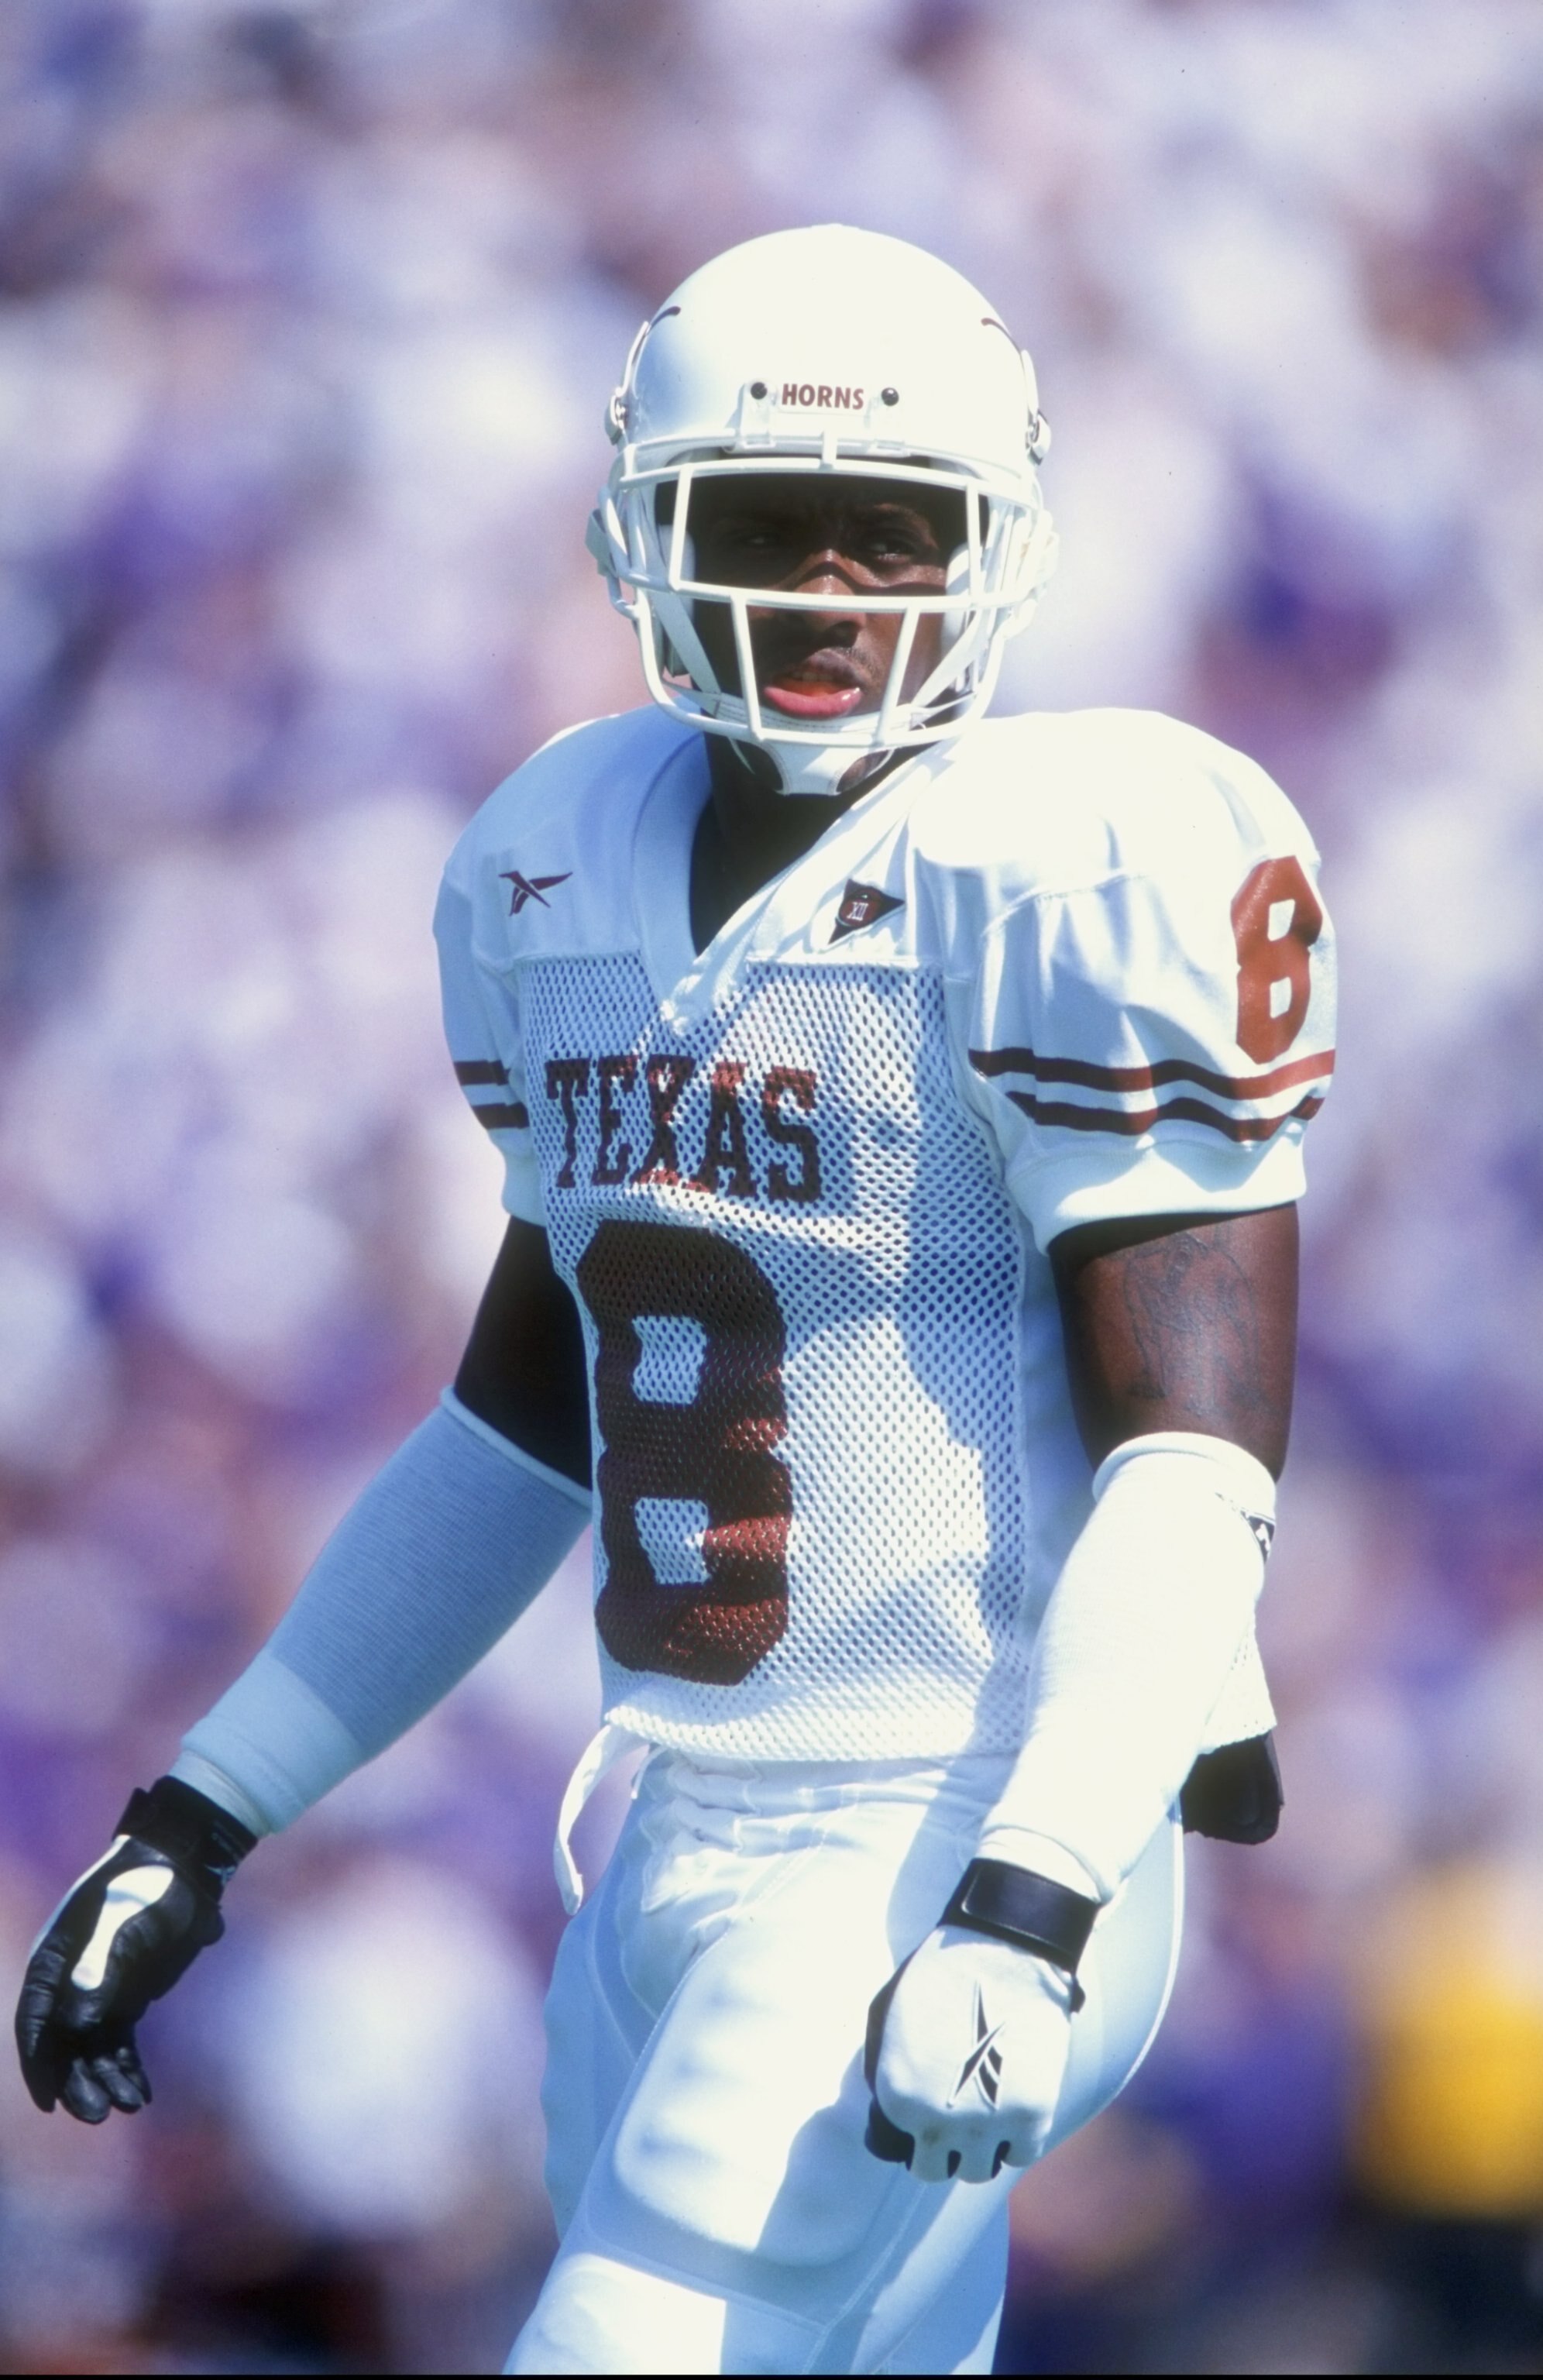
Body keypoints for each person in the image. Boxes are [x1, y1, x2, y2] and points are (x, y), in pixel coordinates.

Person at [15, 225, 1335, 2376]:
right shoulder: (556, 859)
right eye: (766, 525)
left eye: (888, 534)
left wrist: (1036, 1883)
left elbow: (1196, 1469)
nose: (824, 593)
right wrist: (204, 1809)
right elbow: (520, 1427)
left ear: (996, 544)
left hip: (946, 1802)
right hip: (668, 1815)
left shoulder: (1077, 865)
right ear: (647, 530)